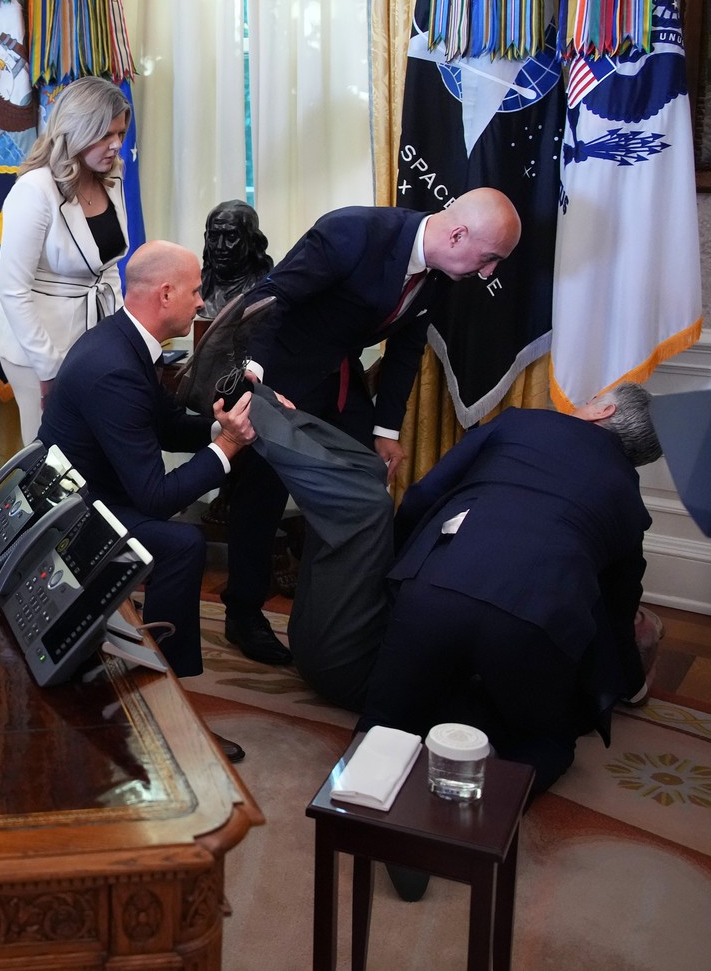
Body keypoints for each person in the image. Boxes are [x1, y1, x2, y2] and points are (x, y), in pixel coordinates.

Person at [220, 188, 522, 665]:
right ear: (459, 233)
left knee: (363, 487)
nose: (490, 272)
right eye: (489, 258)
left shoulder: (442, 274)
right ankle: (243, 614)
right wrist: (253, 379)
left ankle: (336, 616)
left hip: (341, 380)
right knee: (263, 496)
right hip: (283, 372)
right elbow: (269, 298)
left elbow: (407, 347)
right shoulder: (353, 232)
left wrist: (386, 430)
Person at [359, 385, 661, 798]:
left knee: (385, 718)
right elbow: (617, 610)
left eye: (591, 398)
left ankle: (363, 801)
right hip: (537, 624)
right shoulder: (630, 501)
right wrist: (632, 684)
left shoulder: (521, 421)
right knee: (547, 741)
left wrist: (398, 569)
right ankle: (480, 823)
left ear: (603, 411)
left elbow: (423, 496)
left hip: (436, 590)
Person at [39, 241, 255, 757]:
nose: (202, 303)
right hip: (72, 517)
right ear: (164, 294)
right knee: (181, 543)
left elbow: (165, 424)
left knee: (180, 540)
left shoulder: (123, 342)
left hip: (90, 492)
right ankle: (166, 706)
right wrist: (227, 447)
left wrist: (218, 428)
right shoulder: (115, 366)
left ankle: (157, 685)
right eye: (196, 291)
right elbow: (155, 497)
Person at [0, 77, 131, 444]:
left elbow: (109, 269)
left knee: (97, 453)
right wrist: (49, 368)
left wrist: (121, 338)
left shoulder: (111, 176)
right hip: (37, 347)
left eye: (120, 133)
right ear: (77, 129)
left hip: (94, 343)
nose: (116, 145)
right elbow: (12, 290)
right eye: (106, 134)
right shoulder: (34, 191)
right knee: (50, 460)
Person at [198, 200, 272, 320]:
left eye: (231, 237)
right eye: (214, 237)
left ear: (252, 241)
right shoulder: (196, 289)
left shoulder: (266, 289)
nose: (220, 246)